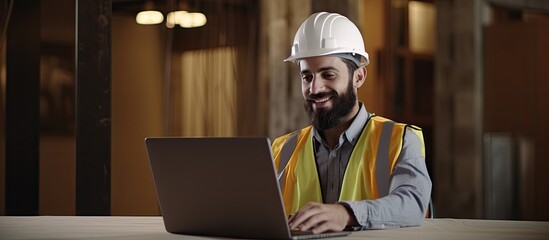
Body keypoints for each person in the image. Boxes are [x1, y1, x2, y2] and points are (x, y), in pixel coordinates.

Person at [271, 12, 432, 234]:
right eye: (307, 77)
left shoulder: (400, 140)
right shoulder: (282, 149)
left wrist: (345, 214)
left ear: (358, 77)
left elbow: (413, 205)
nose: (314, 89)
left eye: (328, 74)